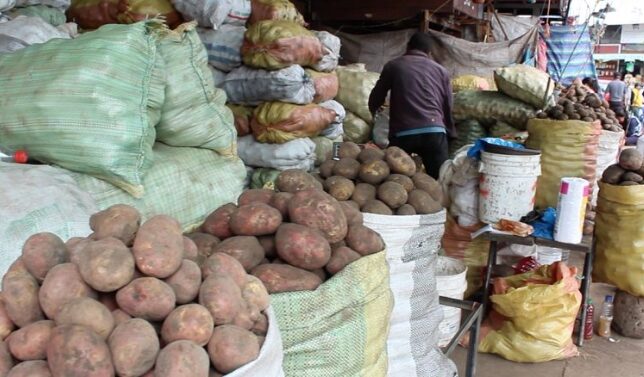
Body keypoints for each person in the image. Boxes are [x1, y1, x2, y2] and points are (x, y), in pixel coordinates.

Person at [368, 31, 456, 179]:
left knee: (393, 179)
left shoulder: (394, 65)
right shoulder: (442, 71)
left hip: (404, 133)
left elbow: (377, 96)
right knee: (440, 180)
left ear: (408, 47)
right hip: (434, 132)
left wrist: (373, 112)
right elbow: (447, 104)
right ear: (429, 52)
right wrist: (450, 133)